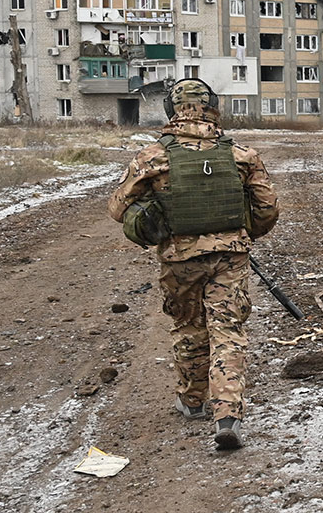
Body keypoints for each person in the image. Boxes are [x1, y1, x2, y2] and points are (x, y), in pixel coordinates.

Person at [108, 78, 279, 450]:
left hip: (179, 259)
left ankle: (192, 401)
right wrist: (239, 231)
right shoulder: (242, 155)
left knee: (189, 327)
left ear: (171, 110)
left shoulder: (152, 157)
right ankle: (227, 415)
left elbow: (117, 209)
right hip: (230, 257)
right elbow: (267, 211)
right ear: (214, 106)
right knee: (227, 331)